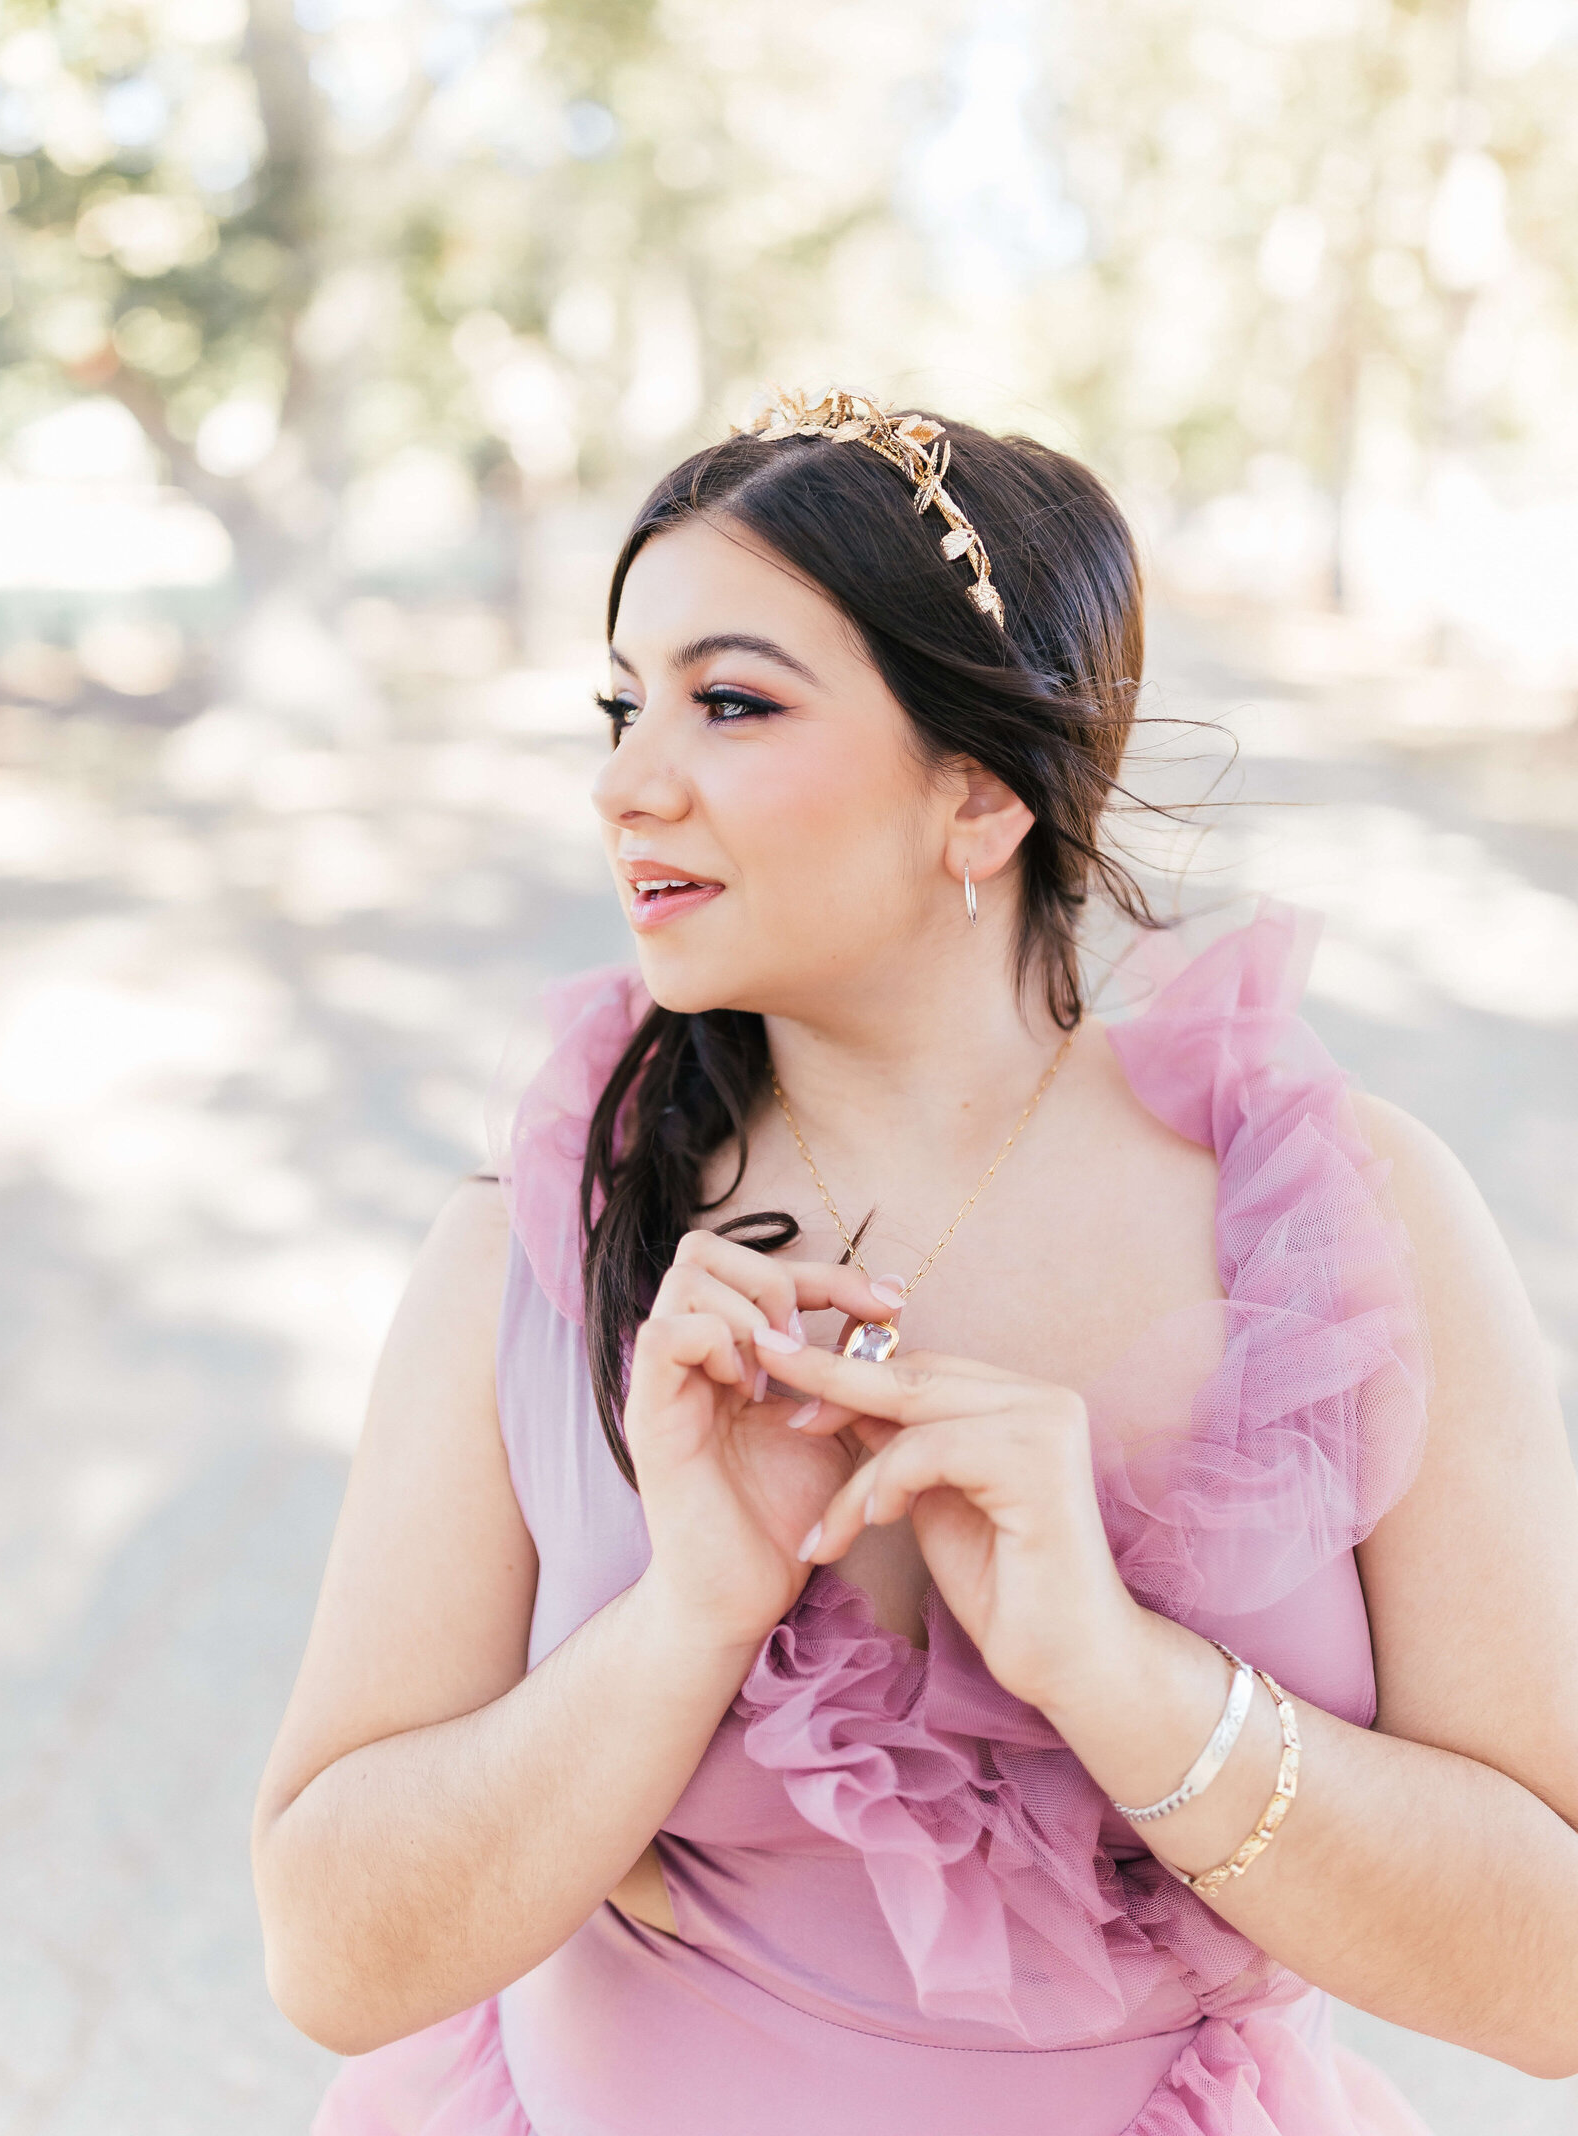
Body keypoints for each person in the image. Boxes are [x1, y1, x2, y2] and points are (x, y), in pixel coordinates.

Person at [254, 388, 1578, 2136]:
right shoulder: (530, 1245)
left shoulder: (1350, 1224)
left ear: (978, 798)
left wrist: (1114, 1670)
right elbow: (330, 1962)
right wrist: (691, 1621)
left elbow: (1550, 1980)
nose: (625, 782)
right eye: (621, 704)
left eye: (728, 702)